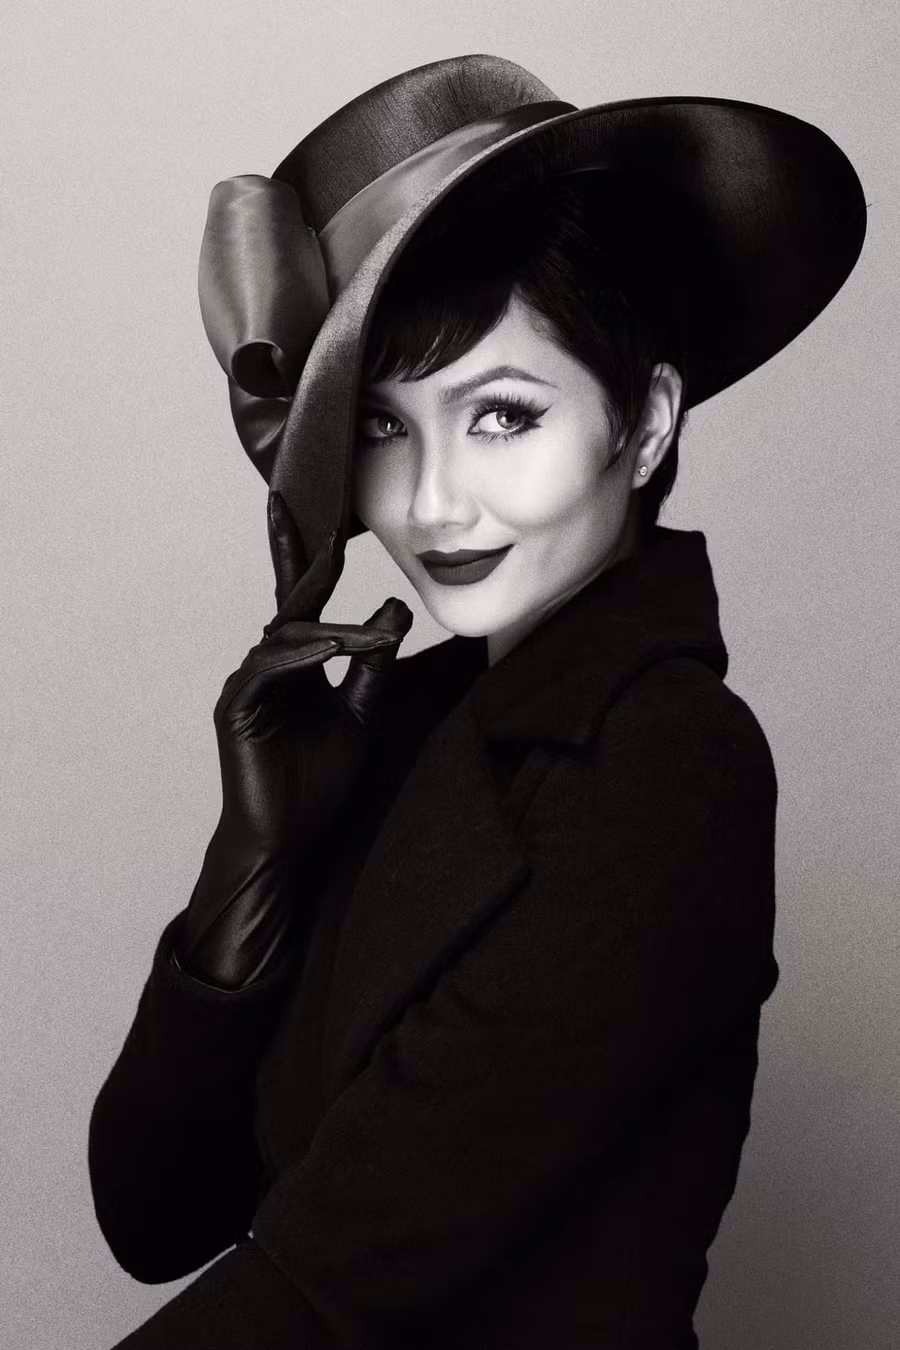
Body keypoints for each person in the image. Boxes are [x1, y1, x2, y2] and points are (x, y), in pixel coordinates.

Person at [87, 55, 866, 1349]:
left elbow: (331, 1274)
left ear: (646, 421)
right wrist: (255, 862)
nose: (433, 503)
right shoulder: (395, 726)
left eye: (501, 415)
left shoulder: (669, 764)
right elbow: (154, 1212)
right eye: (383, 429)